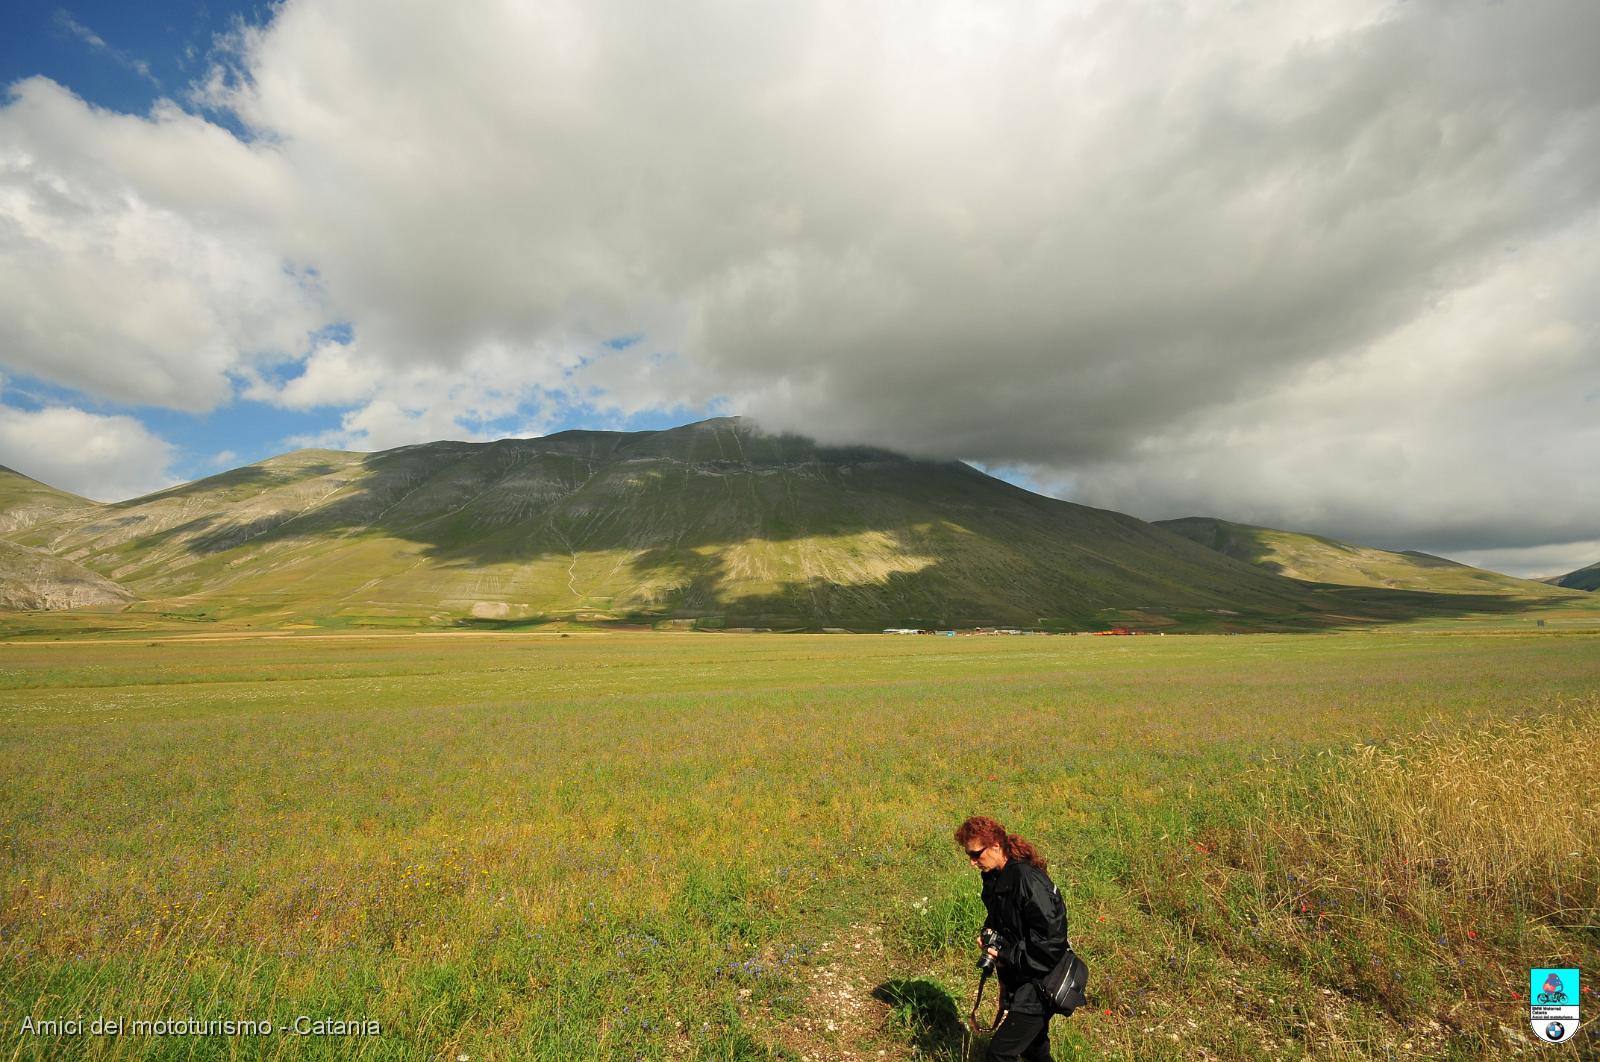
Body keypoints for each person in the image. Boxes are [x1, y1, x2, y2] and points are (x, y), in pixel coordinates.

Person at [956, 815, 1068, 1062]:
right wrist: (989, 935)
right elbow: (1004, 919)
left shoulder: (1027, 880)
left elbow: (1051, 944)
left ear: (995, 846)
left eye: (976, 854)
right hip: (1022, 974)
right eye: (968, 856)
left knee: (999, 1054)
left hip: (1043, 981)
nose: (972, 863)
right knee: (1034, 1049)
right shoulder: (996, 875)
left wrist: (1004, 953)